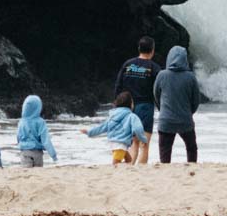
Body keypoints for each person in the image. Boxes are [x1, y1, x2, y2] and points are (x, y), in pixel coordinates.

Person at [113, 36, 161, 164]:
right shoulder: (154, 68)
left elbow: (118, 86)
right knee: (144, 143)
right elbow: (160, 90)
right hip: (145, 107)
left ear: (139, 48)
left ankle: (130, 168)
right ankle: (140, 170)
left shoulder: (128, 64)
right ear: (152, 50)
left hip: (128, 108)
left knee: (134, 142)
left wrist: (118, 107)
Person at [153, 46, 201, 163]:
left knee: (165, 152)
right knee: (191, 148)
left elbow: (156, 95)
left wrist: (162, 110)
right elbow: (196, 100)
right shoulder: (190, 77)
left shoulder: (162, 75)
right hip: (185, 120)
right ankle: (192, 170)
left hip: (166, 120)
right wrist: (189, 112)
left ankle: (165, 175)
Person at [81, 91, 148, 165]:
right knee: (115, 164)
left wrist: (90, 132)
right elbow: (138, 129)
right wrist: (143, 139)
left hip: (112, 142)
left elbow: (103, 127)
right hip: (121, 144)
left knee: (129, 160)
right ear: (130, 104)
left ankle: (126, 169)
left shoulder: (112, 116)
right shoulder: (132, 116)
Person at [15, 95, 57, 167]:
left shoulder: (21, 122)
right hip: (37, 153)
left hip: (24, 152)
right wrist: (53, 155)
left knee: (26, 172)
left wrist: (21, 145)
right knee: (38, 172)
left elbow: (18, 137)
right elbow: (45, 140)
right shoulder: (40, 122)